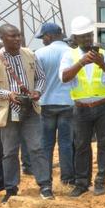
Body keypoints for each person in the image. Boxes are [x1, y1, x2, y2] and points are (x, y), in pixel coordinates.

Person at [59, 16, 105, 197]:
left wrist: (102, 63)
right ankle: (81, 183)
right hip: (81, 108)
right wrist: (80, 63)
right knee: (81, 145)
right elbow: (64, 77)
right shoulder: (69, 55)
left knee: (104, 144)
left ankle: (100, 180)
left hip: (104, 106)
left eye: (89, 35)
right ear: (75, 39)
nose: (87, 39)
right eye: (82, 36)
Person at [0, 24, 52, 202]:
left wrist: (37, 91)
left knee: (37, 148)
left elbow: (41, 77)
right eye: (12, 36)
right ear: (3, 38)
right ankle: (11, 189)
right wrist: (8, 95)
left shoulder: (29, 54)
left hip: (30, 109)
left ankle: (45, 186)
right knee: (10, 152)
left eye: (18, 35)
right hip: (9, 111)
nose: (17, 39)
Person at [34, 22, 75, 187]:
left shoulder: (40, 53)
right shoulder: (72, 53)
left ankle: (46, 179)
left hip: (47, 103)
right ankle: (67, 178)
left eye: (43, 37)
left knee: (46, 143)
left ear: (49, 36)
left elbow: (36, 79)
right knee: (66, 142)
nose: (42, 41)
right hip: (68, 102)